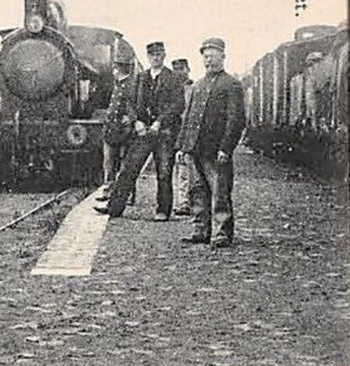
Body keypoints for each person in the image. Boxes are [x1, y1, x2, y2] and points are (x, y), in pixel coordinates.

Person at [99, 41, 184, 219]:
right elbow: (129, 103)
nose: (155, 58)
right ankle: (114, 207)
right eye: (152, 55)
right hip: (143, 131)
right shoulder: (141, 78)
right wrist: (136, 120)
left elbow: (178, 105)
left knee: (164, 172)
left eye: (159, 54)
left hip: (164, 133)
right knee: (129, 168)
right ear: (148, 57)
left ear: (164, 56)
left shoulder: (173, 78)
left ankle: (162, 211)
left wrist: (160, 122)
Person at [176, 37, 247, 248]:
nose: (209, 61)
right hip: (195, 148)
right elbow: (188, 117)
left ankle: (222, 232)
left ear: (223, 57)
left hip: (216, 150)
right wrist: (182, 146)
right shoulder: (198, 85)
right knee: (197, 191)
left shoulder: (231, 84)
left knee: (220, 191)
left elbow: (236, 120)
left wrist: (226, 148)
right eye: (206, 57)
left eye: (213, 56)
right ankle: (200, 230)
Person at [98, 40, 138, 198]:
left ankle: (127, 194)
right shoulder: (117, 85)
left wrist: (131, 118)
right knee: (108, 163)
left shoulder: (131, 85)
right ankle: (108, 191)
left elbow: (136, 105)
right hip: (111, 129)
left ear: (118, 69)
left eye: (115, 68)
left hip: (124, 131)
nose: (113, 71)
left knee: (125, 163)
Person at [171, 58, 195, 215]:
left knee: (184, 168)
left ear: (187, 70)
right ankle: (182, 201)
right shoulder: (172, 89)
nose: (179, 72)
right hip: (173, 133)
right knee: (177, 168)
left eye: (182, 69)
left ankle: (184, 202)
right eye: (176, 70)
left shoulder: (193, 90)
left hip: (187, 133)